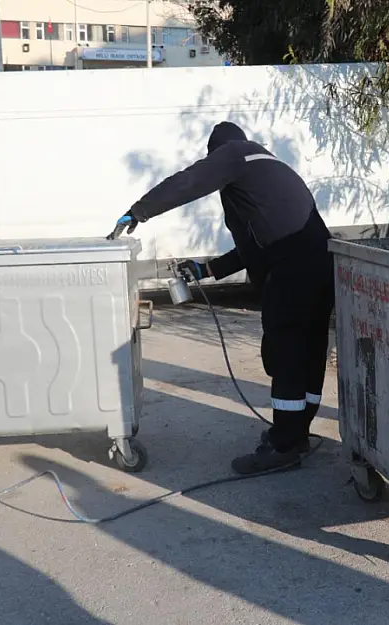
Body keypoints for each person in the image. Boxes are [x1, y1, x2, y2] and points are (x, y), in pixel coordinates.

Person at [115, 121, 335, 475]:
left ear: (217, 152)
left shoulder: (233, 155)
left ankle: (282, 447)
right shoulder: (267, 166)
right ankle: (297, 434)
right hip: (321, 266)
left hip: (292, 271)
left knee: (287, 352)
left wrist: (139, 211)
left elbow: (189, 181)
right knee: (308, 352)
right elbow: (256, 243)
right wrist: (207, 270)